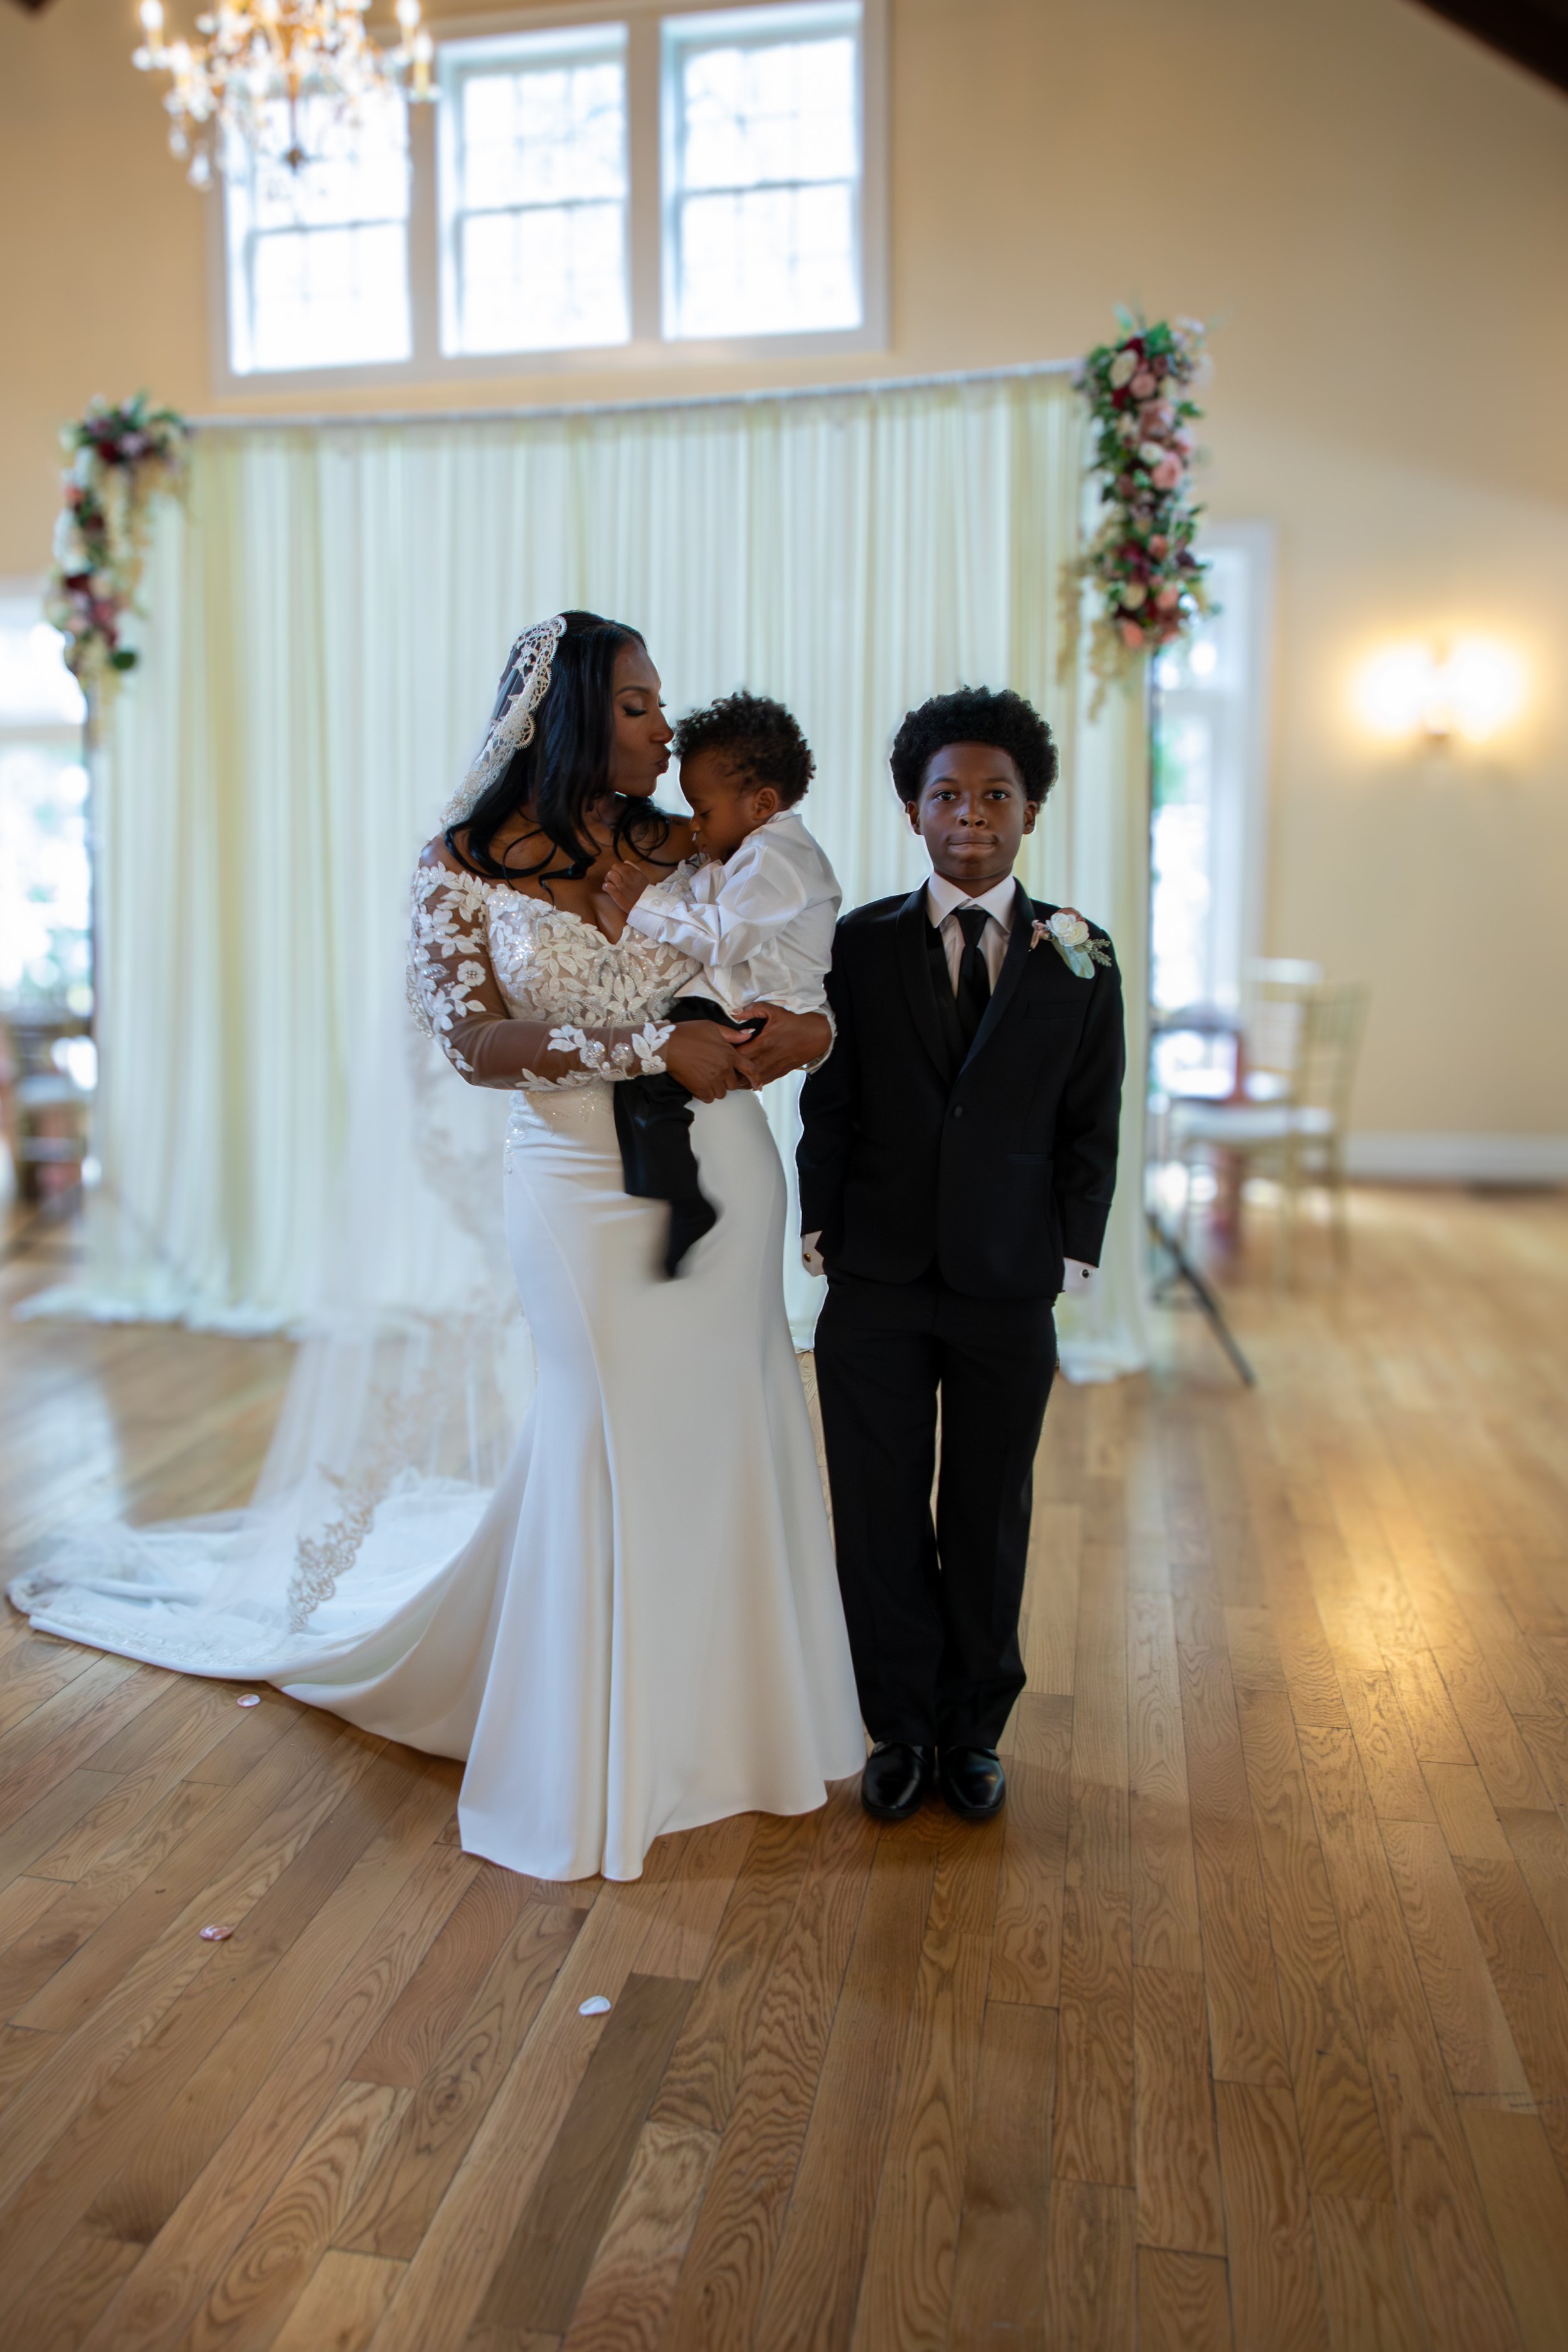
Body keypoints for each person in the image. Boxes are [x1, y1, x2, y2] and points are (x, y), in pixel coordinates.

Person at [11, 612, 865, 1883]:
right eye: (639, 706)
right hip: (576, 1181)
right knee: (605, 1427)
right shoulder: (457, 866)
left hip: (723, 1172)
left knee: (729, 1420)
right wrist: (640, 1046)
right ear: (574, 711)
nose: (663, 729)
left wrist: (817, 1033)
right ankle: (604, 1742)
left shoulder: (673, 835)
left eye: (661, 705)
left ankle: (736, 1727)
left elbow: (784, 940)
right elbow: (471, 1045)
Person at [798, 686, 1125, 1826]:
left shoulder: (1081, 954)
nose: (971, 816)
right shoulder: (857, 944)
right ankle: (897, 1727)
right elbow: (828, 1104)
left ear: (1031, 810)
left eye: (995, 796)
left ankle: (974, 1728)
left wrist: (1075, 1248)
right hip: (877, 1276)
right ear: (911, 809)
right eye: (948, 795)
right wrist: (818, 1221)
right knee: (879, 1508)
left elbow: (1093, 1118)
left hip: (1007, 1277)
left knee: (990, 1507)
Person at [602, 691, 840, 1276]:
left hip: (758, 1011)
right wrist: (709, 863)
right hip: (735, 1001)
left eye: (702, 812)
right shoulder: (751, 853)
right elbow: (718, 908)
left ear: (761, 803)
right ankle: (674, 1192)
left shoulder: (780, 857)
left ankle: (682, 1200)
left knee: (650, 1075)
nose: (695, 827)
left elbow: (726, 937)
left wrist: (645, 904)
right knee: (646, 1079)